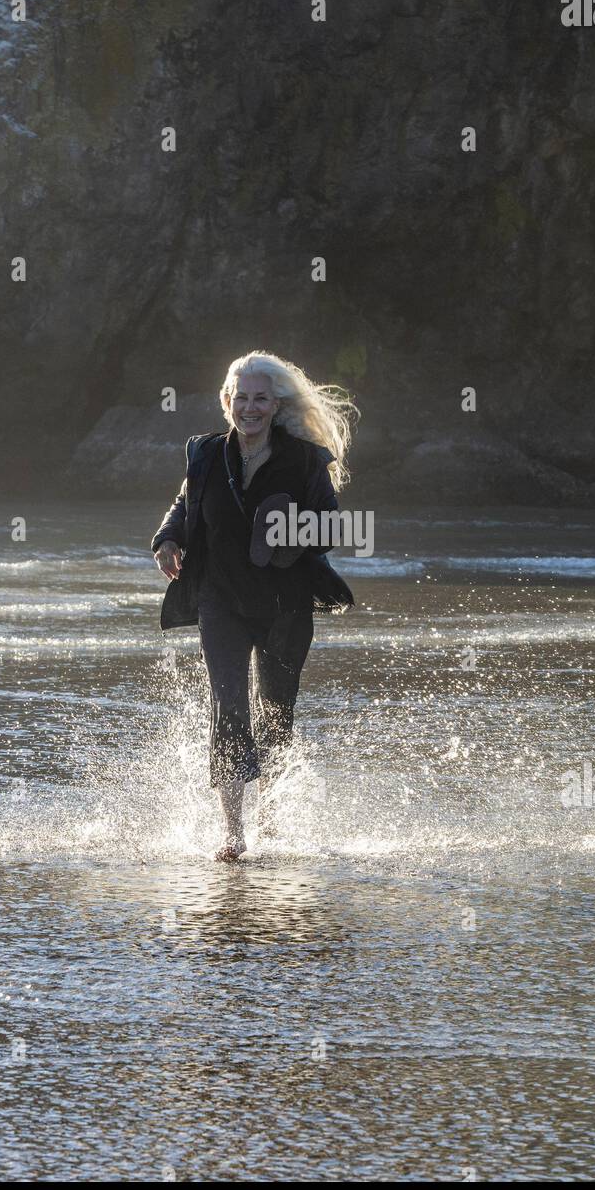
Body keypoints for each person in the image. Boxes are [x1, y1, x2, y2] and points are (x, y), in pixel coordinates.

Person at [151, 352, 357, 860]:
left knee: (276, 716)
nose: (249, 407)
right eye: (240, 397)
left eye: (260, 398)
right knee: (228, 706)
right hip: (219, 600)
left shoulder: (306, 461)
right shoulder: (204, 455)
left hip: (285, 603)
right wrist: (167, 540)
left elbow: (335, 528)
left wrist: (288, 532)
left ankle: (271, 819)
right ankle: (233, 831)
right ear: (226, 402)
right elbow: (184, 504)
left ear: (276, 404)